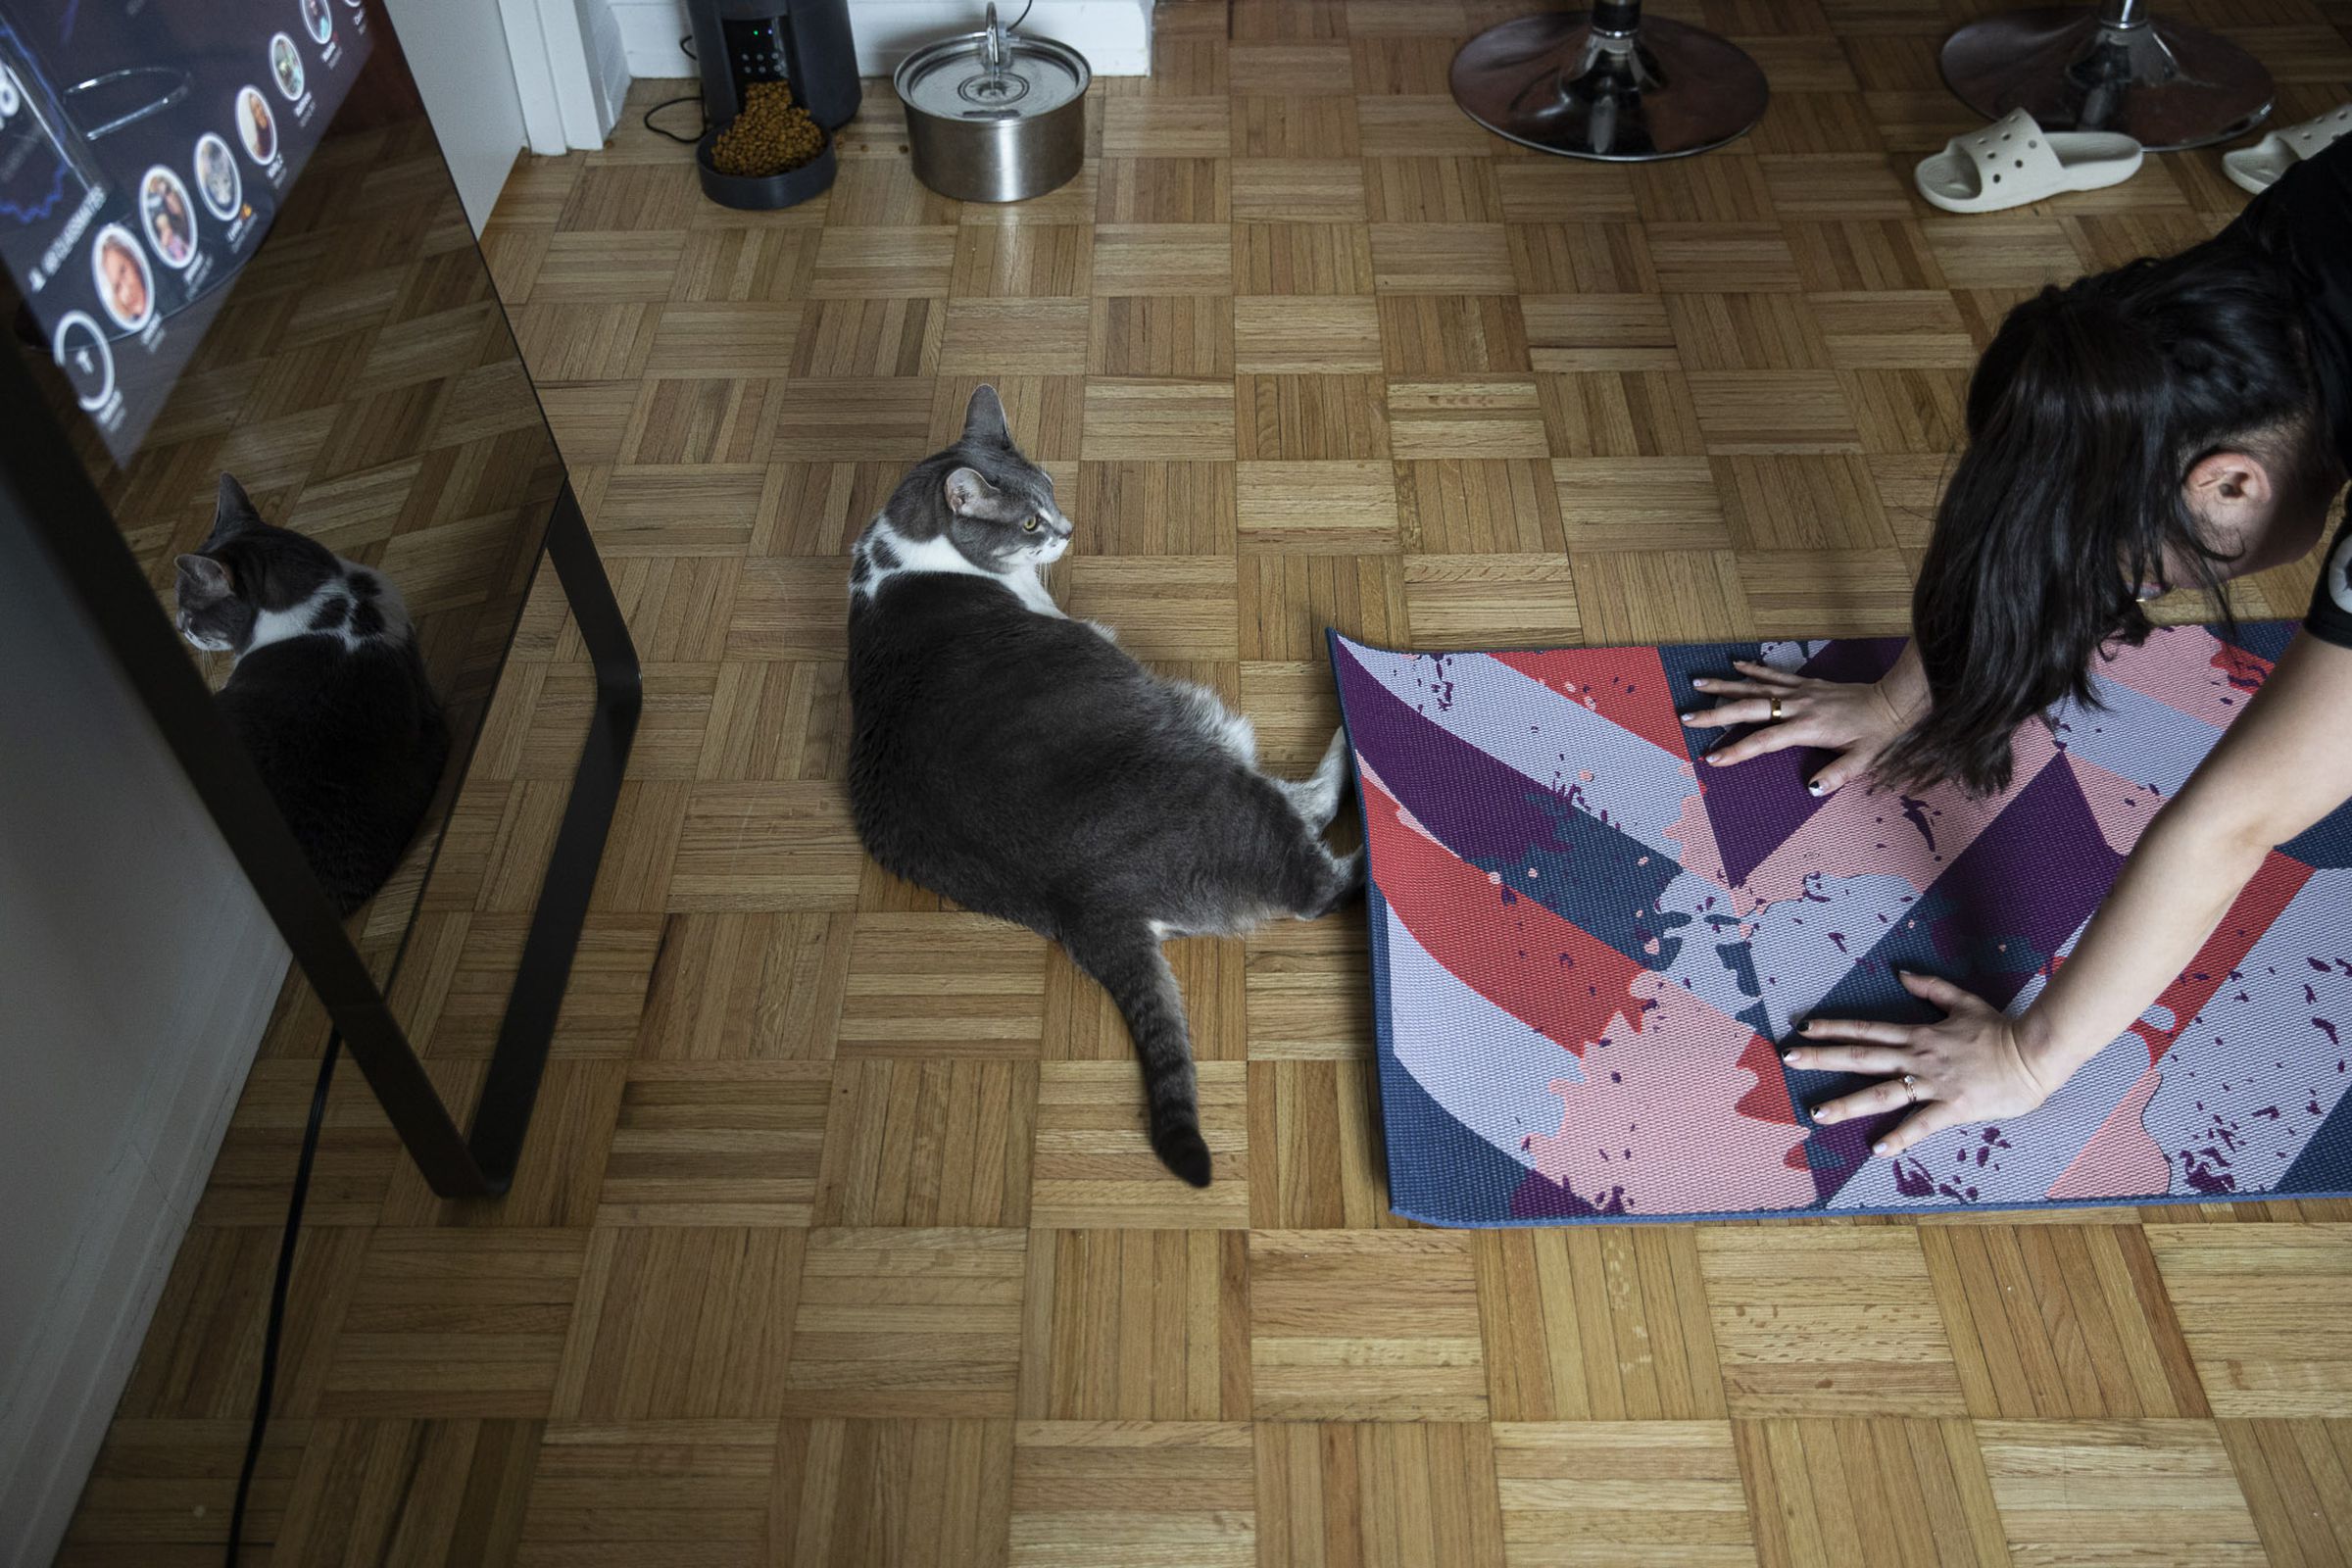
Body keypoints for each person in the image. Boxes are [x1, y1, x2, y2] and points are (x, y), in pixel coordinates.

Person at [1681, 138, 2352, 1159]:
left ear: (2230, 484)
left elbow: (2240, 816)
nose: (2127, 596)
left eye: (2145, 578)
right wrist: (1903, 698)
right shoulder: (2281, 261)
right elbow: (2053, 494)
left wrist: (2035, 1055)